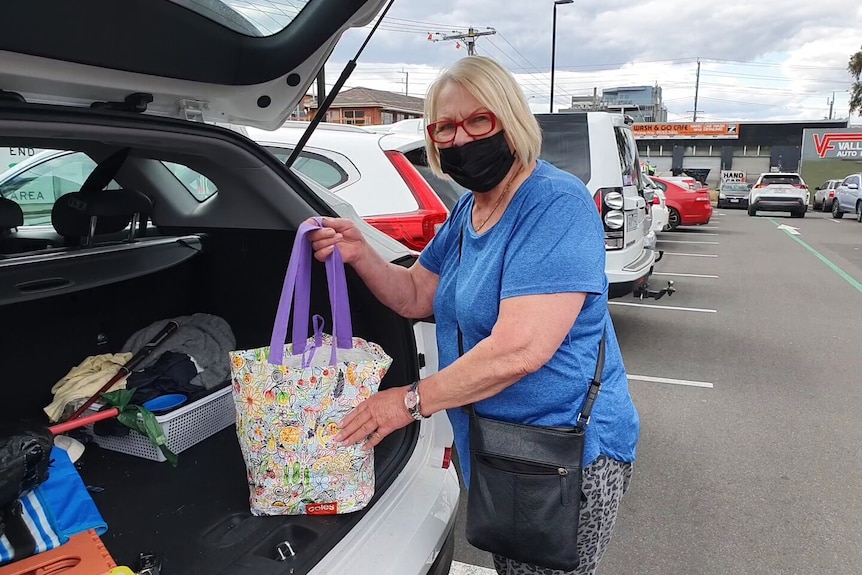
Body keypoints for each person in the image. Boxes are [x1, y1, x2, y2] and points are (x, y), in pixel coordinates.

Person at [308, 55, 640, 575]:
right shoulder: (471, 208)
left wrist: (411, 401)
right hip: (496, 447)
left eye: (477, 121)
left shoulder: (554, 204)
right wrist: (362, 255)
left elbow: (521, 349)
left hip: (561, 452)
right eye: (444, 128)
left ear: (510, 120)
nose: (460, 139)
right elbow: (418, 292)